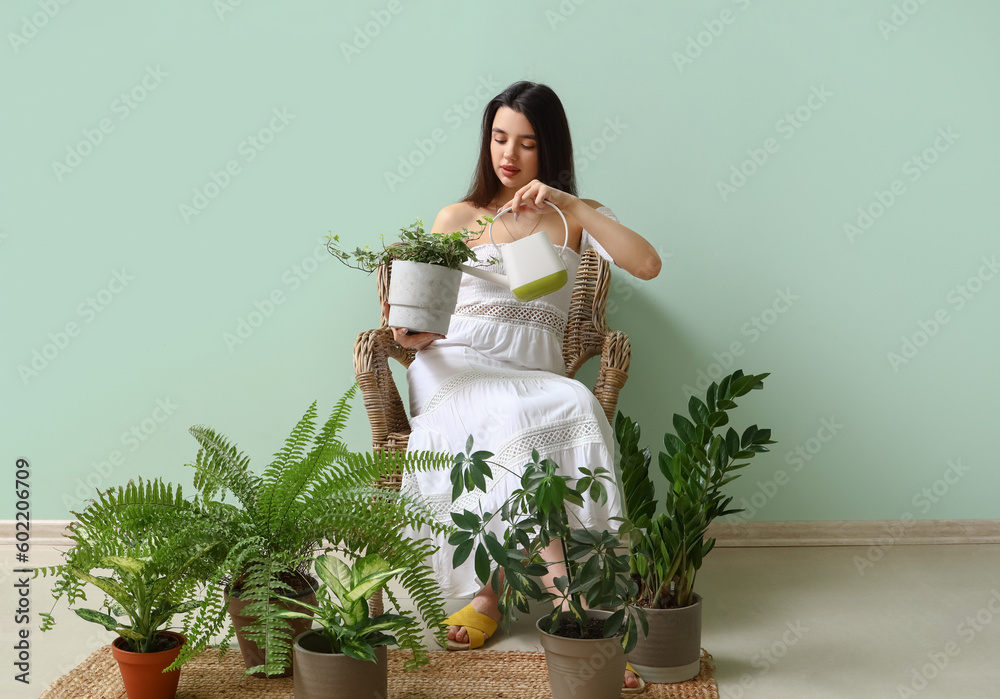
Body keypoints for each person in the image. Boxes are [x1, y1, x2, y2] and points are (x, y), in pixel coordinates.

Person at [391, 81, 660, 691]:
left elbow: (647, 265)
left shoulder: (571, 218)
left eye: (527, 143)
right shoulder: (456, 219)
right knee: (517, 421)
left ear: (551, 149)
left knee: (574, 401)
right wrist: (411, 336)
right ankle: (572, 613)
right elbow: (420, 312)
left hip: (532, 374)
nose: (508, 155)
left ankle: (494, 593)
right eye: (498, 138)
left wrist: (578, 207)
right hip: (455, 366)